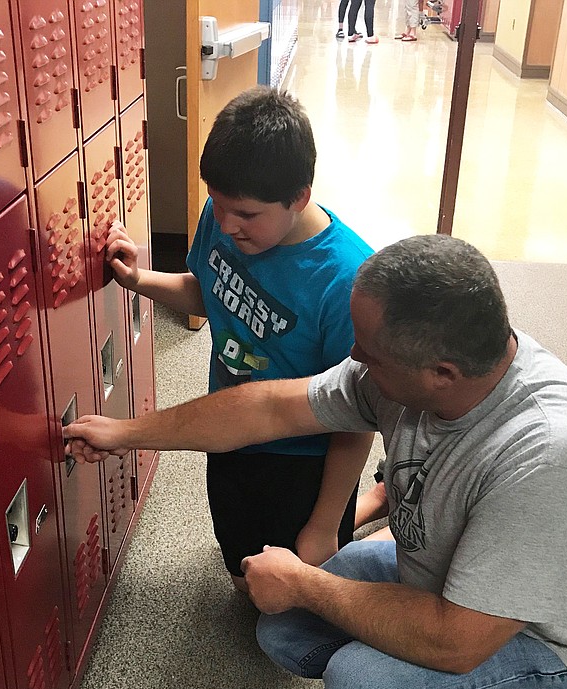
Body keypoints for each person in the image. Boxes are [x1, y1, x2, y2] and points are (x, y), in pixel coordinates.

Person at [65, 234, 567, 689]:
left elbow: (459, 641)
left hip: (557, 649)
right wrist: (126, 434)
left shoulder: (553, 458)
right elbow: (268, 407)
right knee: (286, 631)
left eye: (368, 354)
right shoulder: (412, 378)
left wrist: (303, 581)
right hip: (448, 580)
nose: (353, 358)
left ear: (443, 374)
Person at [104, 86, 375, 594]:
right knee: (242, 575)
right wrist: (141, 280)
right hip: (229, 432)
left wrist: (322, 525)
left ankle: (367, 507)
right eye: (217, 205)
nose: (226, 226)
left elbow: (356, 423)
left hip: (302, 460)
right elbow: (207, 296)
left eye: (246, 215)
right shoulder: (226, 216)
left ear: (299, 197)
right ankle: (374, 504)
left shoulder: (348, 281)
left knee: (296, 594)